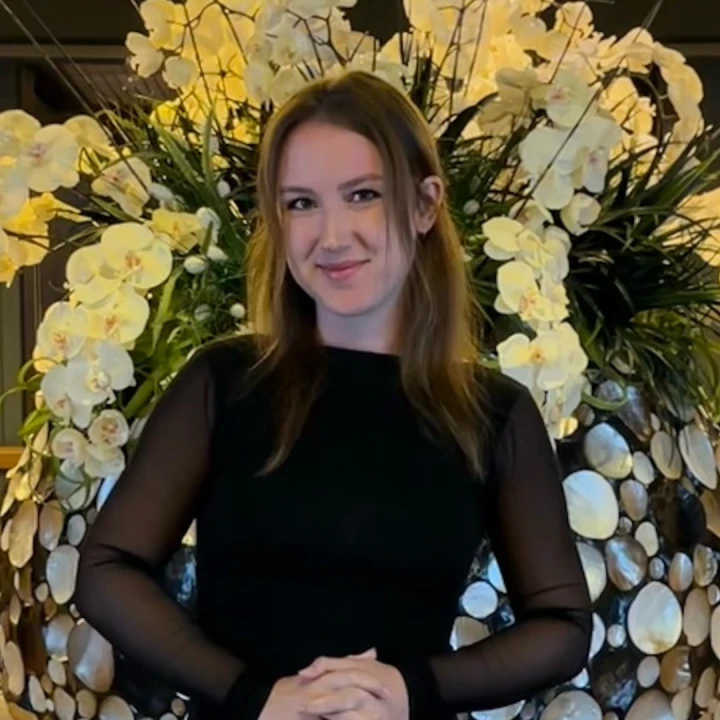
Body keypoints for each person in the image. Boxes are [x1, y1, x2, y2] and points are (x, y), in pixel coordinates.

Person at [75, 70, 592, 720]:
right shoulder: (223, 381)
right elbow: (107, 569)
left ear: (425, 205)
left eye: (362, 195)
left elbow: (563, 624)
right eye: (301, 203)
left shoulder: (494, 413)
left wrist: (410, 690)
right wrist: (255, 696)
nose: (332, 235)